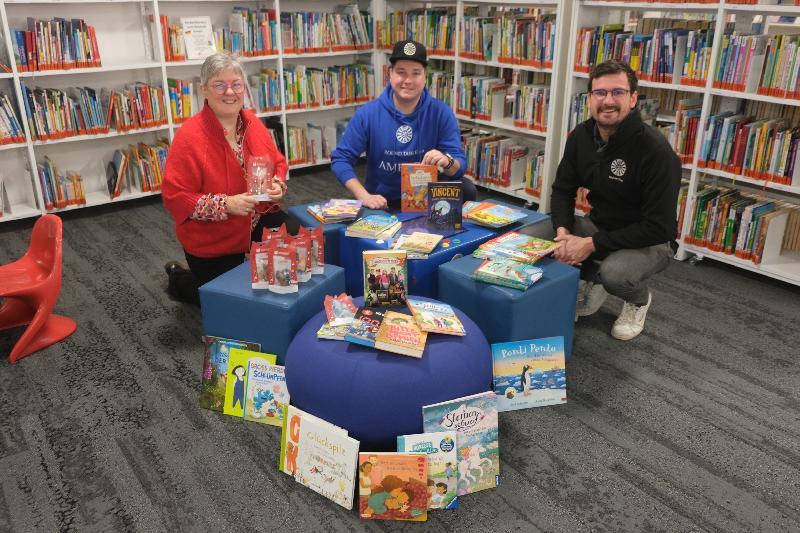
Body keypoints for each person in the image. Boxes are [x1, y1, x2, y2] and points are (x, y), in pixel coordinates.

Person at [548, 60, 680, 340]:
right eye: (600, 93)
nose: (608, 101)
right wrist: (563, 233)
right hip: (600, 226)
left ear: (633, 98)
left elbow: (660, 227)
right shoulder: (581, 136)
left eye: (617, 92)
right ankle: (591, 279)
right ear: (589, 99)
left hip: (650, 240)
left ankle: (638, 300)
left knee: (615, 275)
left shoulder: (655, 151)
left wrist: (590, 244)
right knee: (533, 241)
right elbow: (562, 190)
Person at [162, 53, 300, 304]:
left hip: (256, 217)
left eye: (236, 84)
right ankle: (179, 278)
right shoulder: (189, 137)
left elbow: (278, 162)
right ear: (203, 89)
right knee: (228, 299)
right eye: (219, 84)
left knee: (295, 243)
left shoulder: (252, 124)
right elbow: (176, 198)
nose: (229, 92)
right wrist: (226, 204)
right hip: (213, 235)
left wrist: (278, 184)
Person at [331, 39, 477, 209]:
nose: (408, 80)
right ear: (390, 74)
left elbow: (459, 166)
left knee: (466, 188)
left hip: (426, 197)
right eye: (401, 72)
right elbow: (340, 159)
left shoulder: (441, 113)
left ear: (425, 77)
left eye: (416, 73)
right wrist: (363, 196)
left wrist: (447, 161)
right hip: (383, 201)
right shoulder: (368, 114)